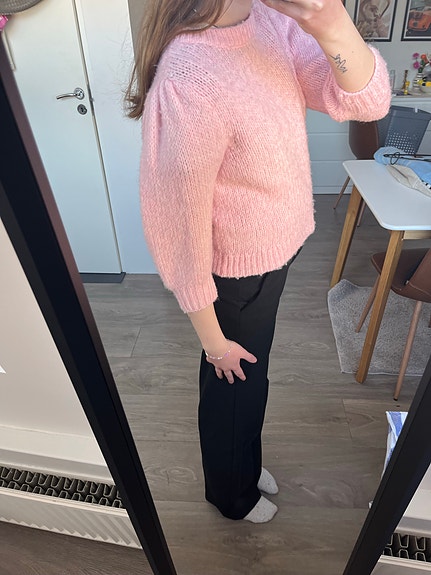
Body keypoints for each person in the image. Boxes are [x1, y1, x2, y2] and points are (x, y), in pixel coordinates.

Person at [126, 0, 391, 523]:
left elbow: (367, 101)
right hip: (235, 273)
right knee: (234, 383)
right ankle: (232, 494)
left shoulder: (270, 23)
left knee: (253, 375)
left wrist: (332, 22)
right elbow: (178, 227)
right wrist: (212, 341)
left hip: (274, 255)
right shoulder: (188, 76)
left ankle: (243, 466)